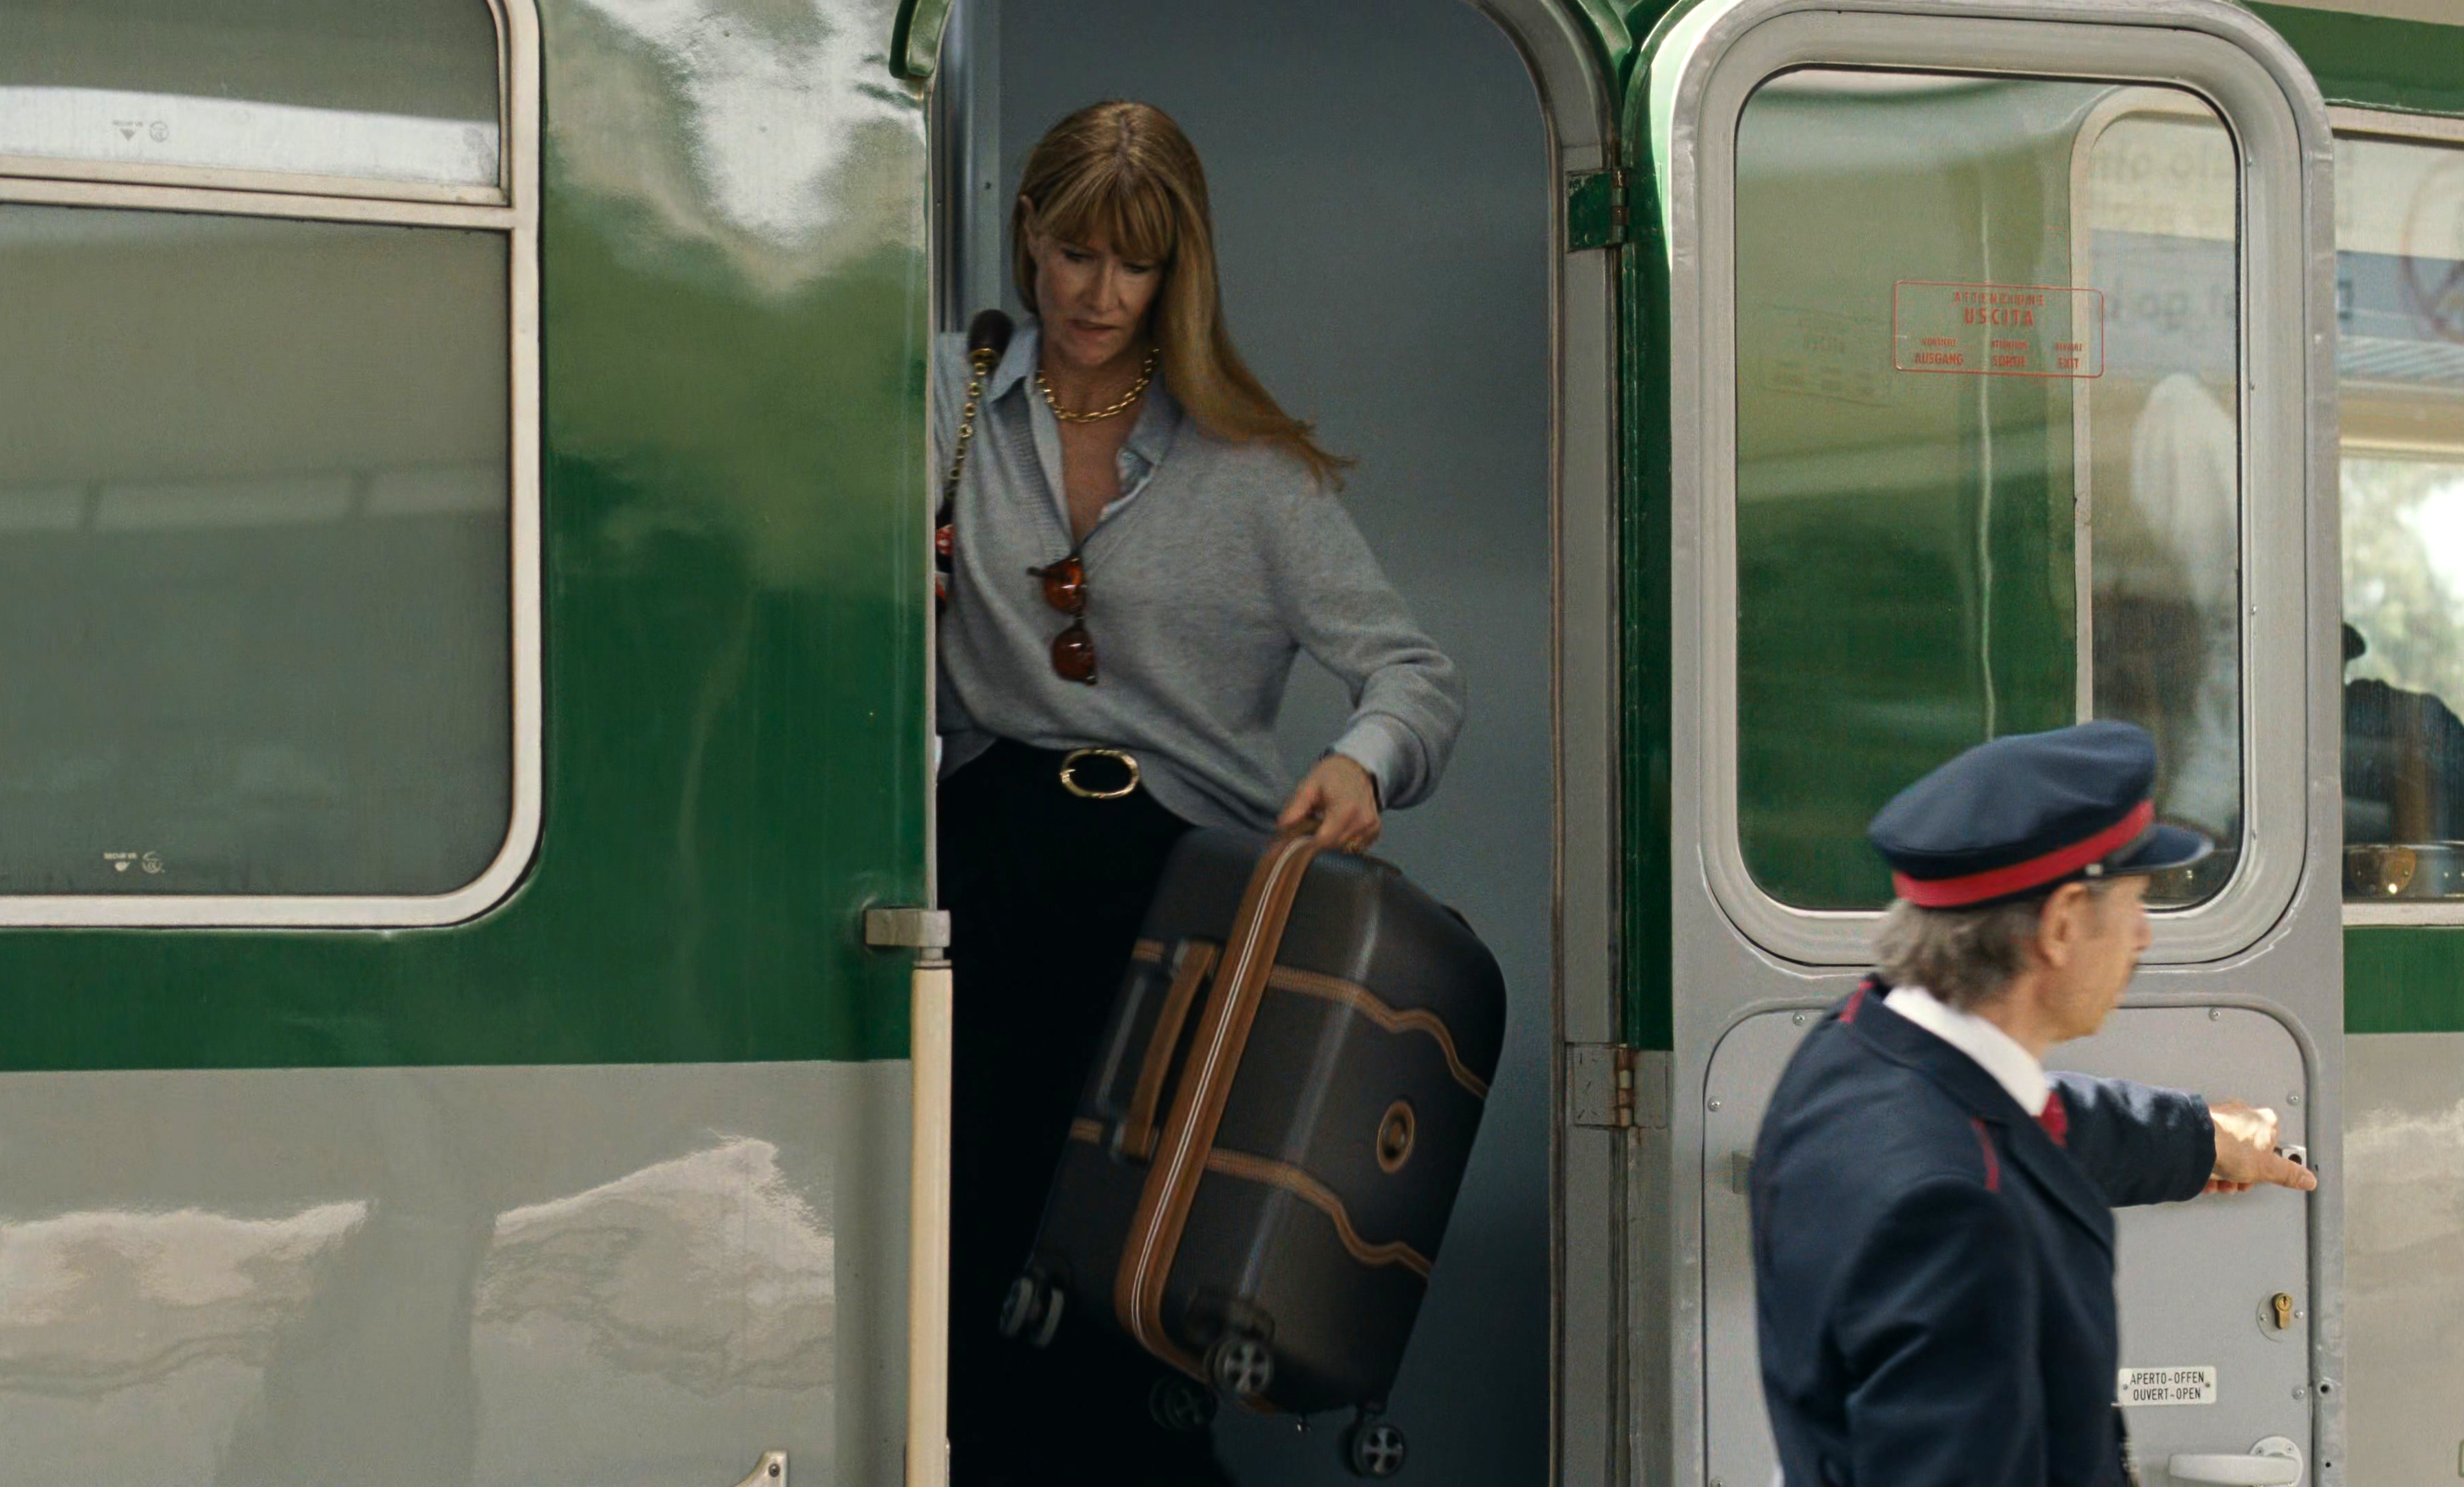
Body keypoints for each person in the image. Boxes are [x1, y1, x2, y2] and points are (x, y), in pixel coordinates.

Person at [932, 101, 1464, 1485]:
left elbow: (1414, 675)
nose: (1098, 295)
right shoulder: (942, 406)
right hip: (980, 873)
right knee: (965, 1268)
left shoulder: (1253, 469)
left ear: (1180, 272)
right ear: (1026, 236)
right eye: (1074, 253)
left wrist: (1360, 760)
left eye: (1136, 264)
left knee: (1126, 1290)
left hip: (1174, 912)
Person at [1749, 720, 2318, 1487]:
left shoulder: (1854, 1052)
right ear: (2061, 924)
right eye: (2136, 903)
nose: (2144, 937)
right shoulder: (1957, 1223)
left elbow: (2023, 1121)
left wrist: (2195, 1138)